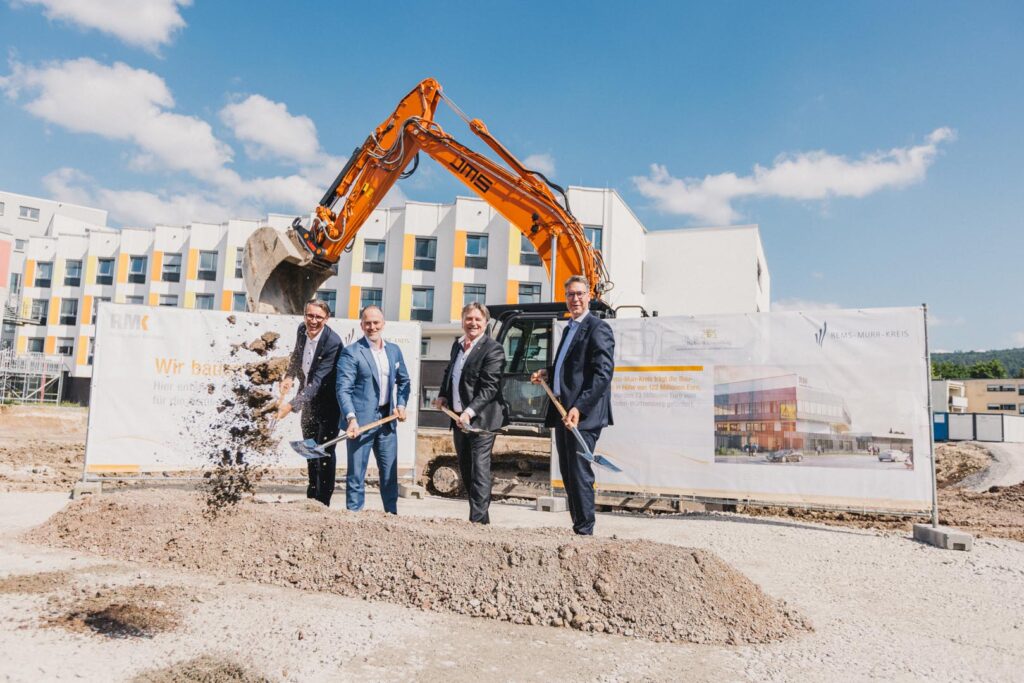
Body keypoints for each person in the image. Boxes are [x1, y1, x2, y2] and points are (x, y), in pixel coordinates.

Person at [531, 275, 615, 535]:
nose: (575, 299)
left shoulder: (597, 328)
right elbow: (571, 367)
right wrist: (548, 372)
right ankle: (578, 525)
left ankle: (585, 530)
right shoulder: (569, 328)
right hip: (562, 412)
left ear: (589, 296)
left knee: (579, 473)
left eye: (579, 294)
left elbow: (602, 373)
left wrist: (580, 407)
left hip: (582, 415)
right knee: (568, 472)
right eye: (570, 294)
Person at [434, 302, 509, 524]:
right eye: (469, 319)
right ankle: (482, 520)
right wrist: (443, 395)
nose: (473, 323)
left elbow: (490, 387)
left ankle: (476, 522)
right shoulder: (457, 346)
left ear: (486, 323)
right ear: (462, 321)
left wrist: (469, 411)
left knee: (479, 470)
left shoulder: (492, 349)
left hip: (481, 422)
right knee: (466, 470)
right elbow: (451, 373)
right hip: (458, 420)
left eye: (477, 319)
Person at [336, 305, 410, 514]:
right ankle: (354, 516)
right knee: (356, 474)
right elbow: (343, 389)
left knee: (389, 474)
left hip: (387, 421)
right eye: (367, 323)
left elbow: (404, 381)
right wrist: (351, 418)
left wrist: (401, 405)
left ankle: (391, 516)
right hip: (360, 422)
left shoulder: (394, 351)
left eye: (376, 322)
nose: (372, 327)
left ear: (383, 324)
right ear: (361, 325)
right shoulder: (351, 353)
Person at [276, 299, 342, 506]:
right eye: (310, 315)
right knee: (309, 448)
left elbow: (317, 382)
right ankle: (311, 497)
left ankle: (323, 502)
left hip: (329, 404)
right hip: (308, 402)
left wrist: (291, 405)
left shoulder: (333, 343)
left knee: (324, 453)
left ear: (327, 319)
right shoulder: (301, 330)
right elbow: (297, 356)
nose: (313, 321)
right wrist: (289, 376)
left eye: (318, 317)